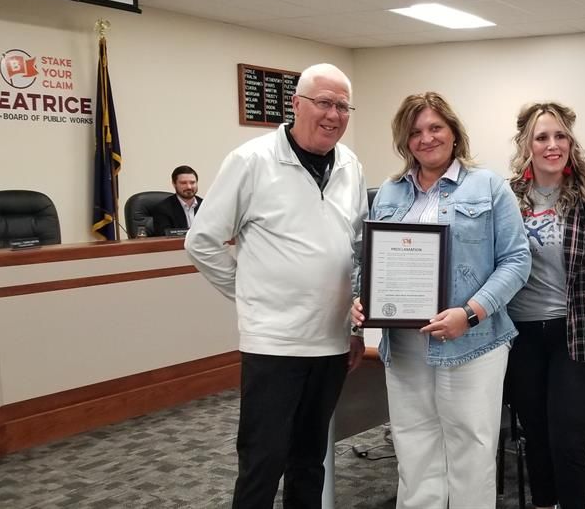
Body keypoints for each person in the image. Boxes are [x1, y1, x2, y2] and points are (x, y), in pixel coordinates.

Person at [185, 63, 367, 509]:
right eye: (323, 102)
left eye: (343, 106)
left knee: (310, 459)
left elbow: (359, 248)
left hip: (331, 342)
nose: (333, 114)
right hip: (274, 343)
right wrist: (248, 291)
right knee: (263, 460)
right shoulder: (252, 161)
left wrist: (357, 326)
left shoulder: (350, 165)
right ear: (297, 104)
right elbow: (202, 241)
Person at [350, 92, 530, 509]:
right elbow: (368, 260)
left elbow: (517, 261)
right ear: (404, 140)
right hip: (407, 345)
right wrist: (363, 298)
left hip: (473, 340)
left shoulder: (489, 186)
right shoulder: (390, 193)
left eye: (435, 128)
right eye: (415, 132)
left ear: (453, 132)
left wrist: (470, 313)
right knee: (413, 446)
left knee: (471, 447)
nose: (426, 138)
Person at [504, 102, 585, 509]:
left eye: (560, 136)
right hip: (521, 335)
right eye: (542, 137)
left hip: (576, 334)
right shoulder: (509, 196)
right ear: (527, 143)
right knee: (536, 435)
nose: (552, 145)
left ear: (571, 141)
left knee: (568, 438)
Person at [148, 165, 202, 236]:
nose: (189, 187)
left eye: (192, 182)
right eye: (183, 183)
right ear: (174, 184)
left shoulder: (206, 205)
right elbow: (163, 237)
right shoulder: (162, 209)